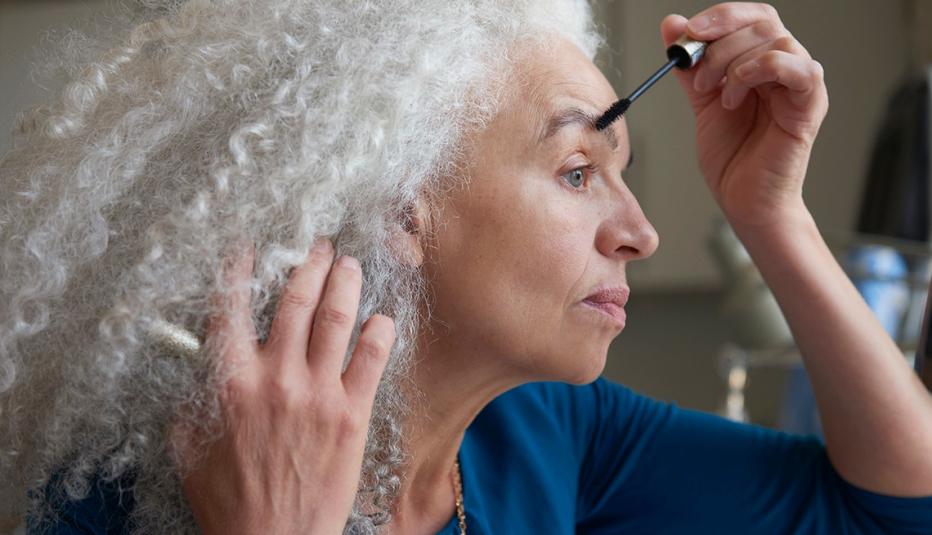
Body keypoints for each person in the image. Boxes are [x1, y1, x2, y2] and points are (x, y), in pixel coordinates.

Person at [1, 0, 931, 533]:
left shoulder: (547, 430)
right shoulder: (120, 496)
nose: (640, 233)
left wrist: (772, 212)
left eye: (622, 175)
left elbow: (890, 509)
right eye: (577, 173)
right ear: (405, 208)